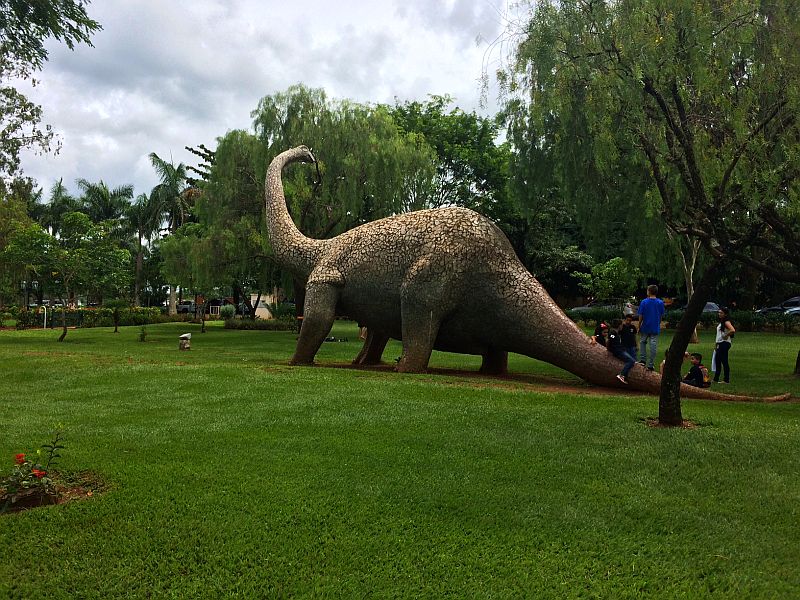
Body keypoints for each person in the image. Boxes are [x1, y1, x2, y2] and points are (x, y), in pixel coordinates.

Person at [591, 319, 636, 384]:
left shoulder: (615, 332)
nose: (622, 326)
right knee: (631, 361)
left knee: (632, 359)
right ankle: (622, 375)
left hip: (620, 350)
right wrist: (609, 349)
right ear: (619, 326)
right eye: (622, 325)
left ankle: (625, 374)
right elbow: (608, 340)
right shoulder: (613, 333)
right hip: (618, 351)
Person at [637, 284, 665, 371]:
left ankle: (642, 360)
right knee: (653, 345)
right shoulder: (660, 302)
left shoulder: (644, 302)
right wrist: (658, 323)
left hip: (645, 326)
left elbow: (641, 315)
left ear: (649, 291)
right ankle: (651, 364)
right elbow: (661, 315)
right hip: (655, 327)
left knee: (642, 342)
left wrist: (639, 325)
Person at [713, 307, 736, 384]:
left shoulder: (726, 321)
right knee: (717, 360)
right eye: (719, 312)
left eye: (721, 313)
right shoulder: (722, 322)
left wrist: (726, 335)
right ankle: (716, 379)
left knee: (724, 361)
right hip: (720, 343)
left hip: (724, 343)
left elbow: (732, 330)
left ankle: (726, 380)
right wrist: (716, 344)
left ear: (725, 314)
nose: (719, 314)